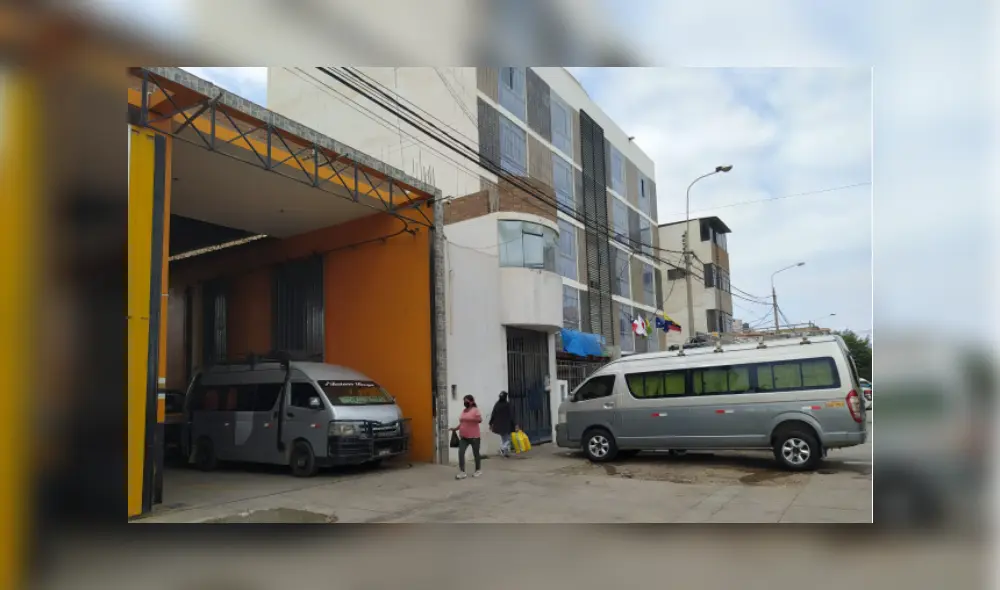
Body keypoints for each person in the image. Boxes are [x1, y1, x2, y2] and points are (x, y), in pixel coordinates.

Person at [451, 394, 483, 479]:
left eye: (466, 401)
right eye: (464, 401)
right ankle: (462, 472)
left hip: (474, 437)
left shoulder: (475, 410)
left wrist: (471, 419)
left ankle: (478, 470)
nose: (465, 402)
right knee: (461, 453)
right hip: (464, 437)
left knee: (476, 454)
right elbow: (462, 423)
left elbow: (480, 420)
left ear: (471, 402)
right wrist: (455, 429)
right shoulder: (463, 411)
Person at [489, 391, 518, 457]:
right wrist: (515, 424)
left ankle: (505, 453)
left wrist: (490, 423)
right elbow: (511, 415)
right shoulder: (507, 405)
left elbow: (493, 414)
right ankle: (503, 448)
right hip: (506, 425)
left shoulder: (497, 404)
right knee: (508, 439)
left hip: (498, 425)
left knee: (503, 439)